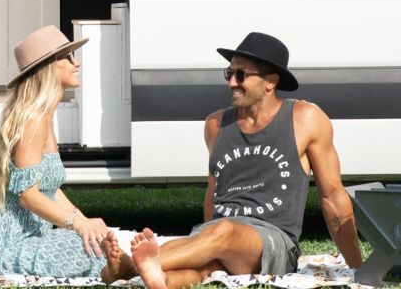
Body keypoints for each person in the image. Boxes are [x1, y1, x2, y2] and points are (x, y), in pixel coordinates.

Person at [101, 32, 363, 289]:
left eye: (241, 75)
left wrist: (358, 269)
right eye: (229, 74)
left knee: (223, 232)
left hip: (273, 241)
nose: (231, 83)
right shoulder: (215, 124)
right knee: (204, 268)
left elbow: (332, 198)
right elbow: (214, 192)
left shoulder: (304, 118)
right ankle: (159, 279)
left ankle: (131, 266)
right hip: (218, 234)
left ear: (270, 81)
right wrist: (205, 241)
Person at [0, 25, 118, 281]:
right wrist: (77, 224)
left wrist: (84, 222)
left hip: (33, 237)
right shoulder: (33, 121)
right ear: (48, 68)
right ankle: (133, 269)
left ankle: (131, 266)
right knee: (92, 253)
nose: (75, 63)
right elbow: (29, 197)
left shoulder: (46, 118)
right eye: (66, 57)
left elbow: (50, 189)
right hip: (6, 247)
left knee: (99, 242)